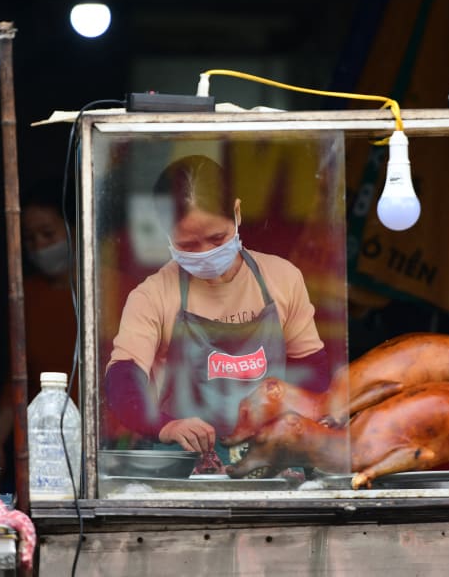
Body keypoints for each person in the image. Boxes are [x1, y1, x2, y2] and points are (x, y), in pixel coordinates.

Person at [104, 154, 330, 457]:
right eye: (188, 245)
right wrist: (166, 427)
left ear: (236, 213)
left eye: (217, 238)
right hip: (185, 464)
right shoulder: (152, 296)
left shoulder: (282, 278)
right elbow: (123, 381)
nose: (206, 253)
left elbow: (312, 372)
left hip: (270, 454)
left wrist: (292, 423)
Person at [0, 184, 78, 470]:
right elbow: (18, 380)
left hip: (103, 443)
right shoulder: (26, 295)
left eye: (48, 234)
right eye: (30, 239)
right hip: (45, 446)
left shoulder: (111, 288)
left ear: (75, 227)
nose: (40, 247)